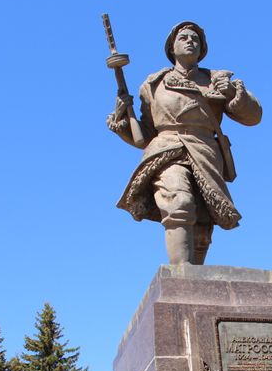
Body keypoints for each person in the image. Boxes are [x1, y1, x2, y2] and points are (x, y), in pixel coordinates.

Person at [107, 21, 262, 265]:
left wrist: (232, 94)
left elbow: (254, 117)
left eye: (196, 39)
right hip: (167, 148)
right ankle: (181, 275)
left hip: (205, 152)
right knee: (179, 203)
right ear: (171, 48)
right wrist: (123, 119)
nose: (191, 41)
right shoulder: (153, 84)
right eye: (184, 38)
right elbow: (145, 136)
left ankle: (195, 281)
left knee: (202, 225)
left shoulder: (217, 80)